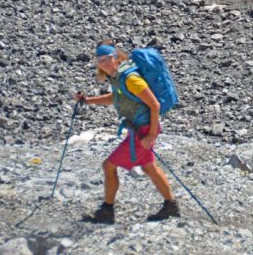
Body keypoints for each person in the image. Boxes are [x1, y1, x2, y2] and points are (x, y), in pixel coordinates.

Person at [75, 41, 179, 224]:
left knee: (108, 166)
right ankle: (171, 206)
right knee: (149, 167)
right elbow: (115, 98)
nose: (104, 63)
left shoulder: (130, 79)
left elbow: (155, 105)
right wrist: (88, 101)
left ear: (115, 57)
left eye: (107, 58)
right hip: (139, 129)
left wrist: (150, 136)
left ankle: (107, 211)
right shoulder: (118, 77)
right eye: (100, 60)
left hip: (143, 131)